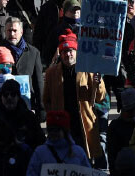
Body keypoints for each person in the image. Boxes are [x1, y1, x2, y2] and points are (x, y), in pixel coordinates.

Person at [42, 32, 107, 163]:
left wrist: (98, 83)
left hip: (83, 123)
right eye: (64, 51)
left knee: (84, 161)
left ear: (77, 51)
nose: (68, 54)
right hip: (62, 125)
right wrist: (53, 115)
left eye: (71, 50)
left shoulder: (89, 70)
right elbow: (46, 100)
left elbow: (100, 98)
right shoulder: (51, 73)